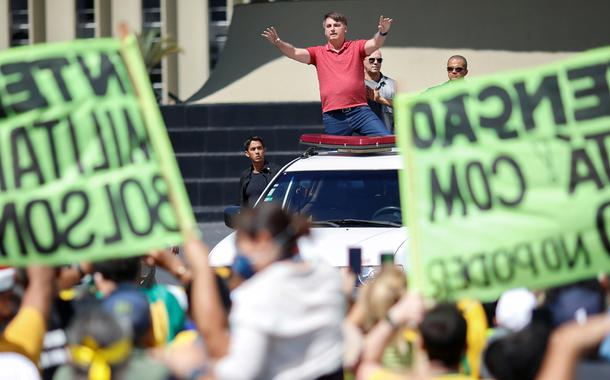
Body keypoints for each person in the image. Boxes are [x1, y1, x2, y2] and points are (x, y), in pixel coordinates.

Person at [180, 203, 345, 379]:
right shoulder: (328, 275)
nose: (237, 258)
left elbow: (238, 373)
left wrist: (192, 370)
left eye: (240, 248)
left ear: (262, 240)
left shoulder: (257, 295)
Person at [262, 12, 393, 136]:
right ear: (325, 31)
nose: (332, 29)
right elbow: (294, 52)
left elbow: (376, 43)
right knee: (336, 156)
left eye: (337, 25)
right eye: (329, 26)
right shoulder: (317, 53)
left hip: (360, 112)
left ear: (345, 29)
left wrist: (382, 31)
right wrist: (278, 42)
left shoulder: (356, 47)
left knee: (385, 140)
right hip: (333, 117)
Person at [238, 136, 280, 207]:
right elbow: (242, 203)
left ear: (264, 150)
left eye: (259, 148)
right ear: (247, 153)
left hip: (270, 216)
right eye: (253, 149)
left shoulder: (274, 171)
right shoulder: (245, 175)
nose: (257, 152)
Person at [364, 50, 396, 133]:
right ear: (362, 60)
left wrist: (381, 100)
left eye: (379, 60)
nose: (376, 63)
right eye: (371, 60)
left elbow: (403, 107)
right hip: (363, 141)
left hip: (386, 139)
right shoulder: (355, 85)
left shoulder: (392, 85)